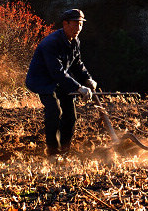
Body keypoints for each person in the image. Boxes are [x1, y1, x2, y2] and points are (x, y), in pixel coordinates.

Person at [25, 8, 97, 156]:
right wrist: (79, 87)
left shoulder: (75, 41)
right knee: (54, 111)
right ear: (65, 24)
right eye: (75, 24)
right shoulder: (51, 43)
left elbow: (77, 64)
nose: (79, 28)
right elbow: (56, 72)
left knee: (71, 114)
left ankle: (65, 149)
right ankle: (52, 151)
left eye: (81, 25)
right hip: (42, 81)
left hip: (59, 80)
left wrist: (87, 78)